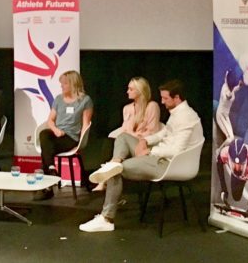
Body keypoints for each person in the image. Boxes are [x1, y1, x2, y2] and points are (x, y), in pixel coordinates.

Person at [79, 79, 203, 232]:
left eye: (165, 98)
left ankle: (107, 218)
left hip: (169, 163)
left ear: (177, 98)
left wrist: (150, 151)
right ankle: (115, 161)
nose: (162, 102)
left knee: (116, 170)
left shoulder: (186, 117)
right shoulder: (177, 112)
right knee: (123, 137)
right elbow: (163, 134)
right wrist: (145, 141)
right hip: (158, 155)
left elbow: (177, 150)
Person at [93, 77, 161, 192]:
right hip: (129, 142)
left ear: (140, 91)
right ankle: (113, 166)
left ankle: (105, 175)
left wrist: (134, 135)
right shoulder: (127, 108)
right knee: (110, 142)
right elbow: (125, 129)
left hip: (143, 146)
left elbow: (152, 132)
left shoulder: (152, 106)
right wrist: (133, 134)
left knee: (122, 138)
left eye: (131, 89)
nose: (127, 92)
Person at [37, 70, 93, 200]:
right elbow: (50, 120)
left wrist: (81, 143)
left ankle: (48, 186)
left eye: (64, 83)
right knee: (44, 134)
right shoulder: (58, 99)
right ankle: (52, 168)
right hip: (57, 134)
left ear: (73, 84)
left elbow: (86, 124)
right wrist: (55, 130)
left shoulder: (85, 100)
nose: (61, 86)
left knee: (46, 150)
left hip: (71, 137)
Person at [216, 131, 248, 212]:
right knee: (236, 197)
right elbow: (219, 164)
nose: (237, 168)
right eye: (234, 164)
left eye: (240, 165)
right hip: (240, 176)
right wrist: (224, 189)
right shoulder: (224, 153)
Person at [216, 69, 242, 145]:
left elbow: (235, 89)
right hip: (220, 116)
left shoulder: (231, 87)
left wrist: (239, 85)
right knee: (230, 138)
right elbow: (228, 96)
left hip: (226, 116)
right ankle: (218, 152)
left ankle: (222, 151)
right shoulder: (225, 90)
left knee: (231, 137)